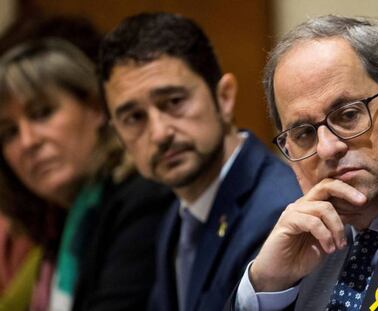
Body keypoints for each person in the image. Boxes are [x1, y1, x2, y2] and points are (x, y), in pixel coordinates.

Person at [98, 12, 302, 311]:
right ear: (118, 133)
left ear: (224, 97)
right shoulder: (177, 215)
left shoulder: (279, 212)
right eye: (134, 118)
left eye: (174, 102)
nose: (159, 134)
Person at [230, 15, 378, 310]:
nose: (328, 148)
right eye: (304, 133)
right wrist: (267, 285)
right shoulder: (304, 243)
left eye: (348, 115)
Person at [0, 38, 173, 311]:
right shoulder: (59, 226)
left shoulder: (142, 198)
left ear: (95, 108)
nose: (28, 141)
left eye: (42, 113)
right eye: (9, 132)